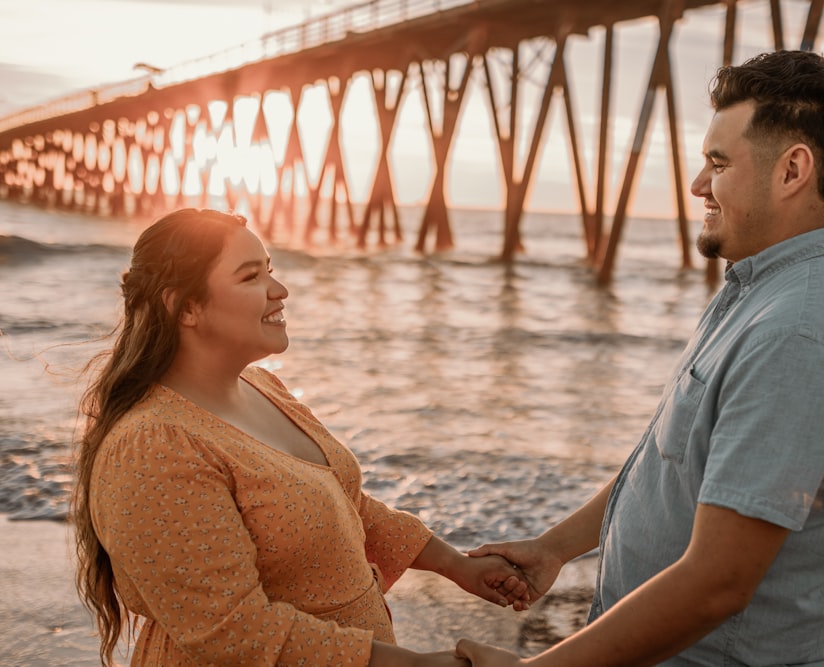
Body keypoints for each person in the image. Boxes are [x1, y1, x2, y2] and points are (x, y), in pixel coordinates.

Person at [456, 50, 824, 666]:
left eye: (718, 163)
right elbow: (678, 460)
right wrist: (556, 547)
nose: (697, 184)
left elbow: (717, 585)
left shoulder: (796, 335)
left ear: (793, 169)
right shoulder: (761, 294)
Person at [72, 208, 528, 667]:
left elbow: (342, 502)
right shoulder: (154, 446)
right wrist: (417, 664)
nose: (279, 290)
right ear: (184, 306)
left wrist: (456, 566)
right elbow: (231, 633)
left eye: (269, 271)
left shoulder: (264, 387)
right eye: (251, 277)